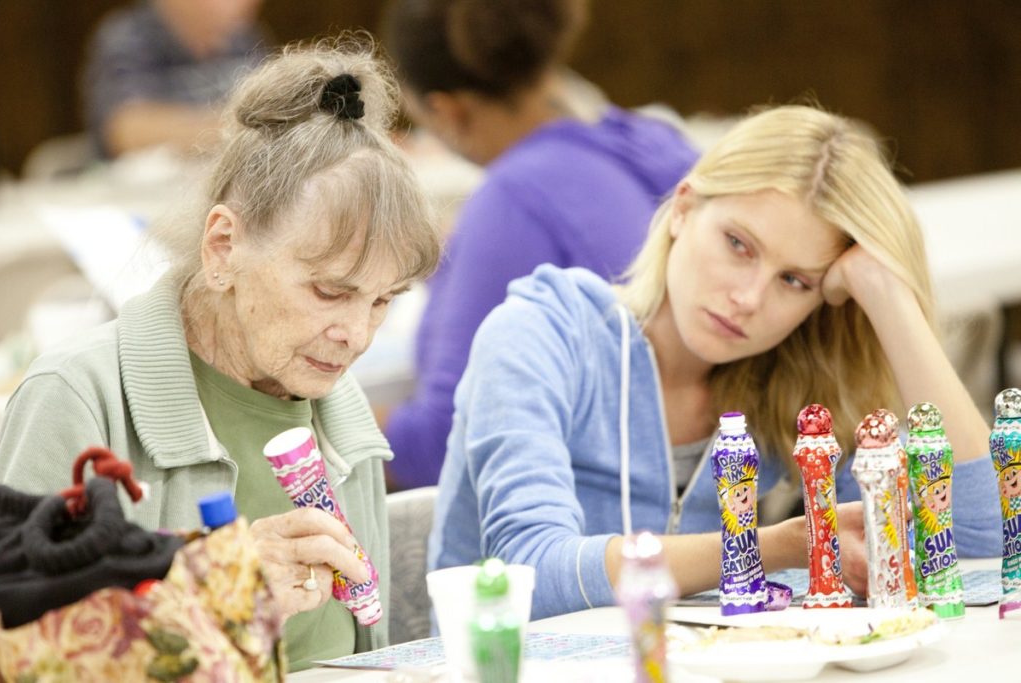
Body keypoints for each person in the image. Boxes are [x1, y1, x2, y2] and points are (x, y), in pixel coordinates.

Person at [428, 104, 1003, 620]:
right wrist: (773, 546)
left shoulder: (794, 373)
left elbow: (979, 540)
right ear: (683, 209)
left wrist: (888, 297)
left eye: (794, 280)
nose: (749, 299)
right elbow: (530, 572)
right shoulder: (545, 329)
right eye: (738, 244)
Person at [0, 39, 441, 669]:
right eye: (329, 291)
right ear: (223, 246)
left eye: (382, 300)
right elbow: (22, 657)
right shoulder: (77, 401)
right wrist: (214, 592)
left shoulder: (342, 419)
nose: (357, 335)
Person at [380, 0, 700, 488]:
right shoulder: (650, 143)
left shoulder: (514, 201)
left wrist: (323, 419)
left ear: (447, 112)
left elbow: (444, 446)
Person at [82, 0, 268, 158]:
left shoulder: (244, 38)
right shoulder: (129, 37)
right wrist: (230, 129)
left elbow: (270, 107)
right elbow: (124, 131)